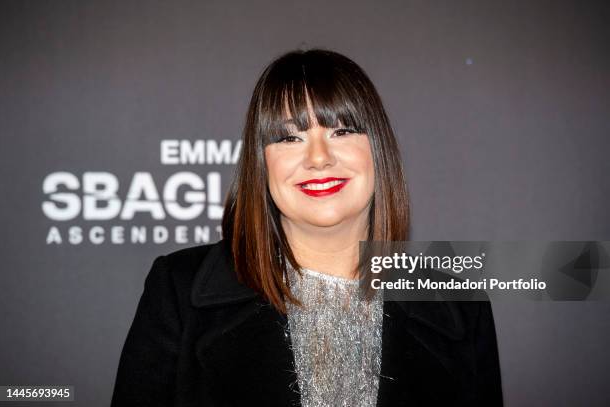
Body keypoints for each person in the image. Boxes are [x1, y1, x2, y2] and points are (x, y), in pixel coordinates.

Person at [111, 49, 503, 406]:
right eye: (289, 137)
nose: (318, 157)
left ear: (378, 150)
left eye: (342, 131)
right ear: (261, 164)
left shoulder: (458, 306)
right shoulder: (179, 290)